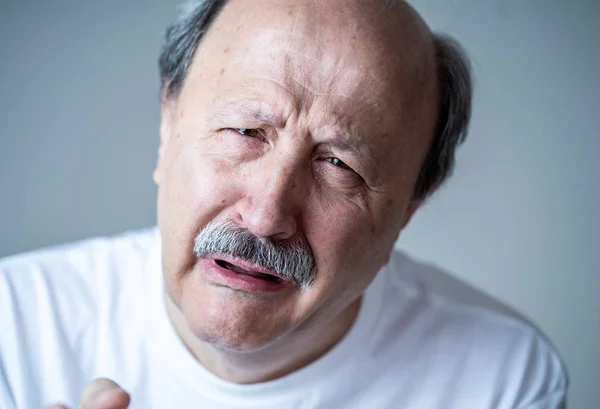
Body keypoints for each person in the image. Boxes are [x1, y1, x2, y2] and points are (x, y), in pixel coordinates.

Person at [0, 0, 568, 408]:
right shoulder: (16, 326)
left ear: (407, 214)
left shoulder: (501, 379)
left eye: (340, 166)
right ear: (167, 128)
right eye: (246, 130)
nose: (267, 214)